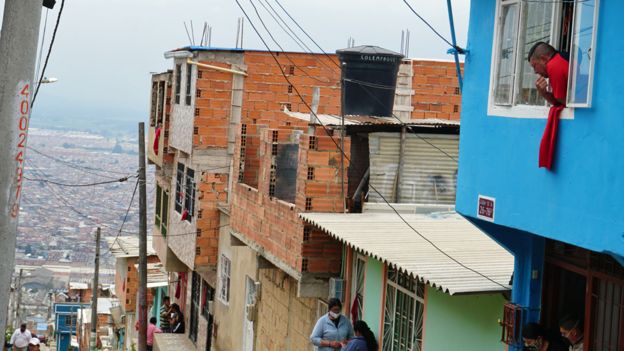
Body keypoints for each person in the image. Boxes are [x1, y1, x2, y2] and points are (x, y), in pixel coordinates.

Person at [527, 42, 569, 170]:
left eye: (535, 66)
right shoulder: (560, 59)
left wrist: (544, 93)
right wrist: (544, 93)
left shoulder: (554, 65)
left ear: (544, 59)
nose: (535, 72)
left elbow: (565, 103)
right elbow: (561, 101)